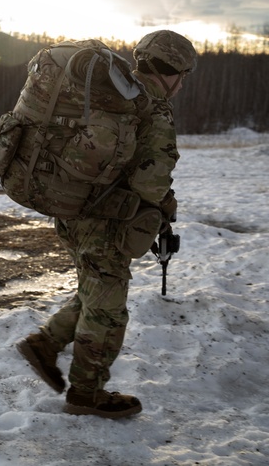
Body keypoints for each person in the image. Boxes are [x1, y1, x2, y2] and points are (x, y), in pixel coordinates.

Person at [15, 29, 196, 419]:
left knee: (95, 289)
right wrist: (162, 206)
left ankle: (46, 344)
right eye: (183, 75)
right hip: (106, 221)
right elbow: (151, 180)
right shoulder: (154, 108)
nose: (181, 84)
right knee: (108, 309)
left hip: (71, 209)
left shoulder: (117, 94)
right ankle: (86, 392)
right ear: (174, 73)